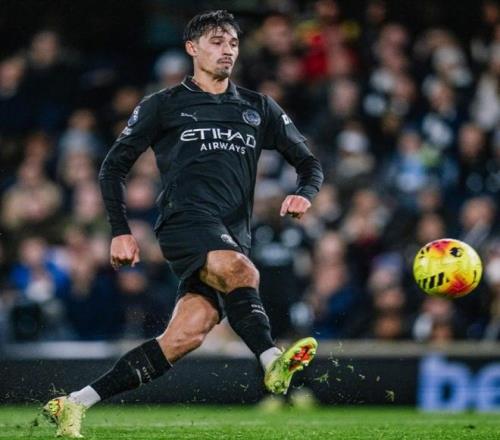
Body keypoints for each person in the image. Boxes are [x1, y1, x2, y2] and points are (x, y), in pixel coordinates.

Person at [43, 10, 323, 438]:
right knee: (243, 271)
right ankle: (271, 360)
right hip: (183, 220)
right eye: (216, 42)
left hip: (232, 236)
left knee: (183, 337)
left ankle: (75, 403)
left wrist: (305, 192)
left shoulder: (258, 107)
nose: (227, 50)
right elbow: (112, 167)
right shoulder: (164, 104)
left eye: (233, 43)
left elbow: (309, 163)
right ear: (192, 48)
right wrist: (121, 230)